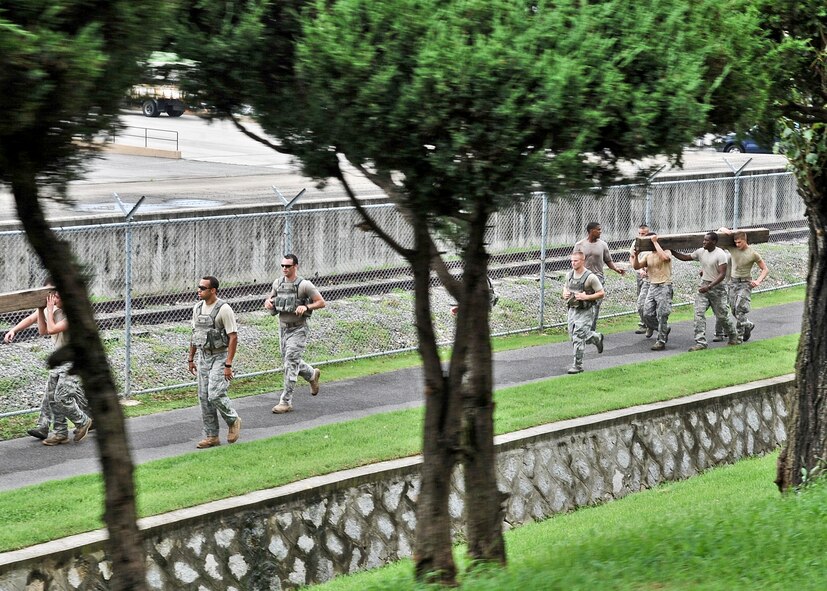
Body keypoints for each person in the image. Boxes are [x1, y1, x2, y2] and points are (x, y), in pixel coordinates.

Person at [4, 289, 94, 446]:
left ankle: (84, 421)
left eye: (57, 295)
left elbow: (51, 329)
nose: (53, 298)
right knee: (52, 397)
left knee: (62, 396)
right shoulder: (53, 308)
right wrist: (15, 328)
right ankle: (60, 433)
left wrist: (49, 310)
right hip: (61, 360)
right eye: (52, 295)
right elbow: (42, 329)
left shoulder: (74, 314)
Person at [265, 254, 326, 414]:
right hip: (283, 328)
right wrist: (268, 303)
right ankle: (312, 374)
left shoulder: (305, 285)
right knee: (290, 361)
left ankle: (285, 402)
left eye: (288, 266)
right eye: (283, 266)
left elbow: (321, 302)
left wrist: (306, 307)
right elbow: (270, 300)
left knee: (290, 363)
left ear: (295, 267)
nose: (285, 268)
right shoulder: (278, 283)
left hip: (298, 329)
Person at [188, 276, 241, 449]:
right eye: (199, 287)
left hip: (220, 356)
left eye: (203, 288)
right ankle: (212, 436)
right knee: (204, 397)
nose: (199, 290)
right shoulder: (197, 308)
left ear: (213, 290)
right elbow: (195, 334)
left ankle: (233, 420)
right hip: (204, 356)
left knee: (215, 394)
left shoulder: (224, 309)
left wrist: (228, 364)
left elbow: (233, 337)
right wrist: (191, 358)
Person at [672, 232, 738, 351]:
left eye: (706, 240)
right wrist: (672, 251)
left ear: (713, 242)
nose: (704, 242)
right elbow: (686, 257)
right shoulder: (700, 251)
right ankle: (701, 342)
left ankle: (733, 335)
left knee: (722, 316)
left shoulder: (720, 254)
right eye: (704, 240)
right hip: (704, 286)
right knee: (698, 314)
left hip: (718, 288)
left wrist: (710, 286)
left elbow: (722, 274)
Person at [717, 228, 770, 341]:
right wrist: (723, 230)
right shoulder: (732, 249)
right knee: (733, 310)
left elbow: (765, 269)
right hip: (733, 283)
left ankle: (739, 336)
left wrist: (758, 281)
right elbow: (718, 237)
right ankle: (748, 325)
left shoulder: (753, 254)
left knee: (740, 310)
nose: (737, 244)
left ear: (745, 240)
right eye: (735, 242)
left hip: (745, 283)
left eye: (739, 242)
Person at [573, 221, 625, 329]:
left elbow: (608, 261)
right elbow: (575, 261)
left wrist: (616, 269)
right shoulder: (580, 245)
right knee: (581, 303)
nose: (600, 231)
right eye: (598, 229)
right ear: (591, 231)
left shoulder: (603, 245)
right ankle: (579, 328)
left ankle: (591, 330)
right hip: (583, 278)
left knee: (595, 304)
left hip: (598, 277)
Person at [562, 251, 605, 374]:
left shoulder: (590, 277)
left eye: (576, 261)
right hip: (572, 310)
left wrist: (586, 297)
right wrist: (564, 293)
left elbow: (601, 293)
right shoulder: (569, 275)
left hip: (586, 310)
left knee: (578, 337)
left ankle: (577, 365)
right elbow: (565, 288)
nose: (573, 263)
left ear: (582, 261)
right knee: (573, 336)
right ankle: (596, 337)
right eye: (572, 261)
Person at [631, 235, 673, 351]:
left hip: (664, 285)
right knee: (647, 314)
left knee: (662, 314)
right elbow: (636, 266)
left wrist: (655, 242)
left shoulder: (666, 251)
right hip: (652, 285)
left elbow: (665, 258)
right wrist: (636, 255)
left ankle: (661, 341)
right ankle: (663, 329)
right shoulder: (648, 255)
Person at [629, 224, 651, 335]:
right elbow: (632, 258)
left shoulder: (653, 243)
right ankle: (643, 324)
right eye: (640, 233)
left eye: (644, 234)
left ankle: (651, 324)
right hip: (641, 274)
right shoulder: (636, 243)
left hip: (653, 276)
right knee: (641, 301)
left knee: (650, 301)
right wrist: (639, 271)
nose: (641, 235)